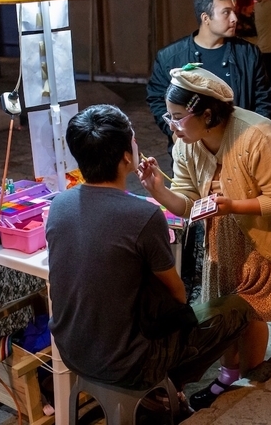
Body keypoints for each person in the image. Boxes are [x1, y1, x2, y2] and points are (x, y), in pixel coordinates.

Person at [46, 104, 252, 418]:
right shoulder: (143, 215)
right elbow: (177, 294)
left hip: (71, 351)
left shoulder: (59, 204)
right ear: (127, 156)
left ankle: (160, 389)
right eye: (133, 139)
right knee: (238, 308)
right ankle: (164, 385)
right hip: (128, 362)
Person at [138, 66, 271, 409]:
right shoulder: (187, 142)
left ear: (207, 114)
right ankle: (228, 377)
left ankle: (251, 380)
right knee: (226, 309)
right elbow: (189, 204)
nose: (171, 125)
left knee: (249, 311)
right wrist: (159, 191)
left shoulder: (258, 136)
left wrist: (233, 204)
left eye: (177, 117)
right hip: (224, 232)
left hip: (268, 231)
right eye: (168, 116)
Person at [146, 0, 271, 150]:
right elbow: (156, 98)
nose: (234, 18)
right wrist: (174, 131)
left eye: (233, 11)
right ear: (206, 18)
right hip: (193, 152)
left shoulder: (248, 54)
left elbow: (262, 99)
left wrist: (254, 137)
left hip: (239, 148)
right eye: (226, 12)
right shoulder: (170, 57)